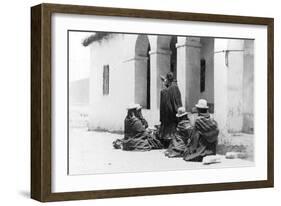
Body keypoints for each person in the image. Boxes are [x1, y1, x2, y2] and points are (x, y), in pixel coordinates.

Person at [159, 72, 182, 148]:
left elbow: (165, 92)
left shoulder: (171, 88)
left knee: (170, 129)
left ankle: (169, 142)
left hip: (170, 111)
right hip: (172, 110)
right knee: (171, 128)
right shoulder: (174, 87)